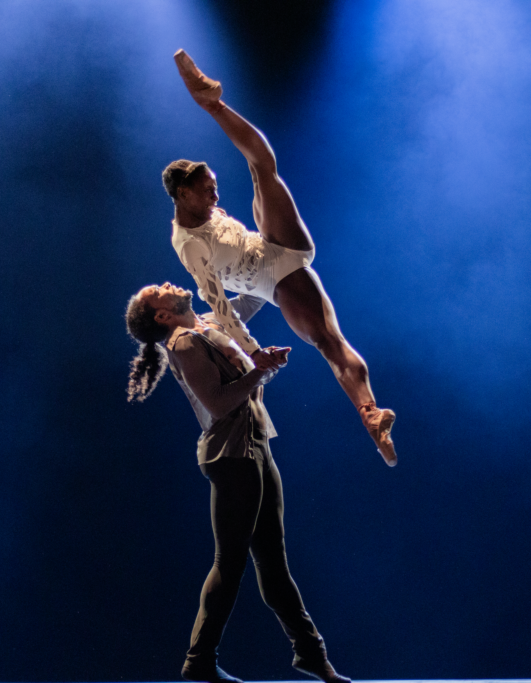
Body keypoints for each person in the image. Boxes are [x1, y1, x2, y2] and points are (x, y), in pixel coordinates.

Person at [163, 49, 397, 466]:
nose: (216, 195)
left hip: (271, 242)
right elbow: (219, 306)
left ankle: (213, 104)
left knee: (262, 168)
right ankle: (370, 414)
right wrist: (252, 353)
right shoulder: (189, 246)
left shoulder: (202, 209)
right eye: (207, 190)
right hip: (270, 280)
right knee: (328, 340)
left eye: (215, 186)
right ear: (183, 194)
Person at [125, 282, 351, 683]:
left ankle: (311, 654)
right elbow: (218, 402)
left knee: (273, 563)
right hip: (229, 457)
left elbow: (255, 295)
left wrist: (242, 261)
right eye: (158, 291)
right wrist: (260, 370)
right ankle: (199, 661)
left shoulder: (211, 320)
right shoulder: (183, 343)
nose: (167, 284)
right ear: (162, 316)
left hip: (255, 447)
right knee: (229, 564)